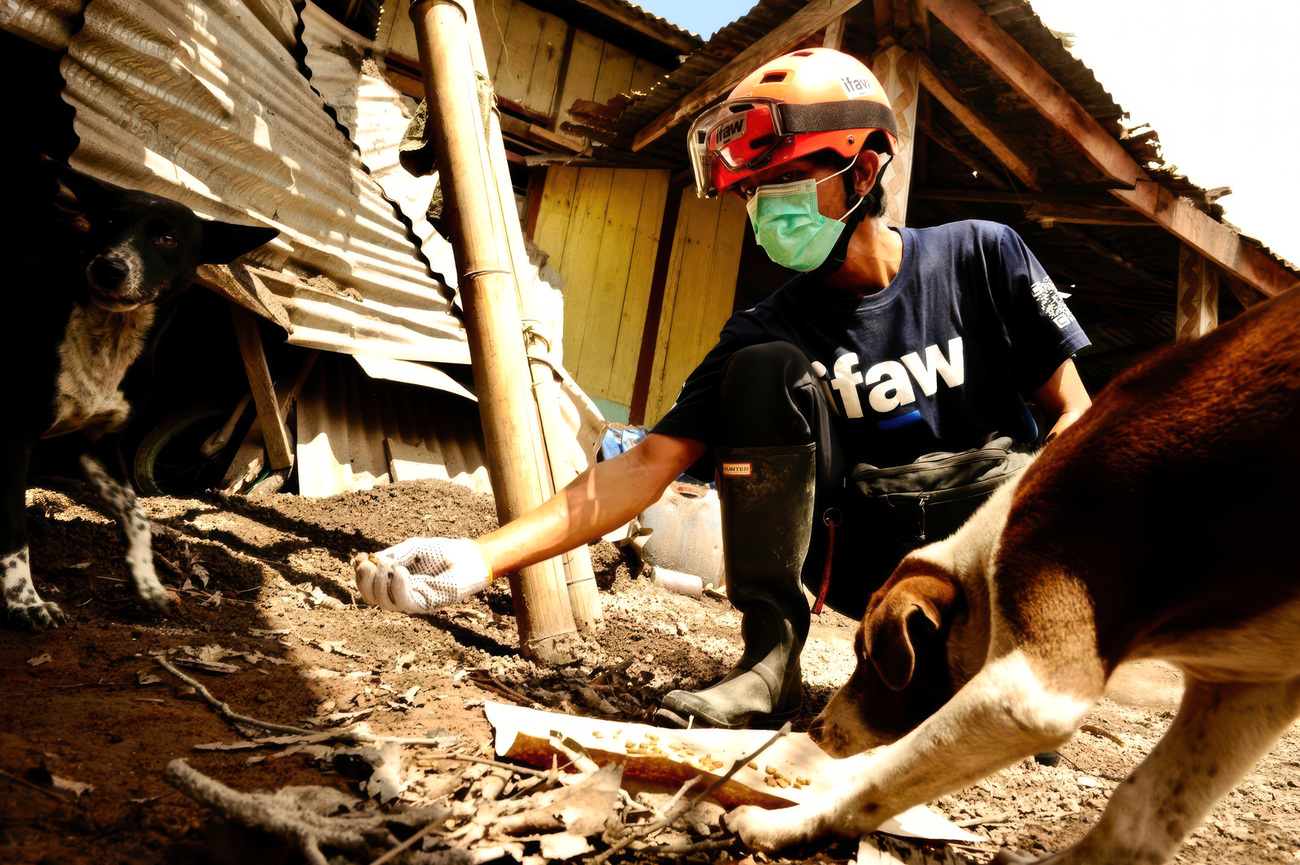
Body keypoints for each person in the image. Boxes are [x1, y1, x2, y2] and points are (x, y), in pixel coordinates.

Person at [353, 48, 1092, 732]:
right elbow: (643, 467)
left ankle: (1009, 660)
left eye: (782, 186)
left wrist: (1035, 592)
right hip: (869, 559)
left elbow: (1078, 421)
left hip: (992, 552)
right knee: (763, 369)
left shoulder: (983, 257)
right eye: (752, 193)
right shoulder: (766, 329)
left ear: (863, 174)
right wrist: (480, 557)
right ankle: (768, 665)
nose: (763, 211)